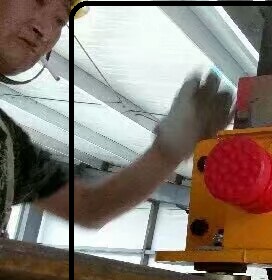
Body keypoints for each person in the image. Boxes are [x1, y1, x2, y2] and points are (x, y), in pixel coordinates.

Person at [0, 0, 233, 237]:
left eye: (60, 20)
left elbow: (89, 207)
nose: (46, 30)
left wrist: (167, 152)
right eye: (37, 0)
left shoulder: (10, 145)